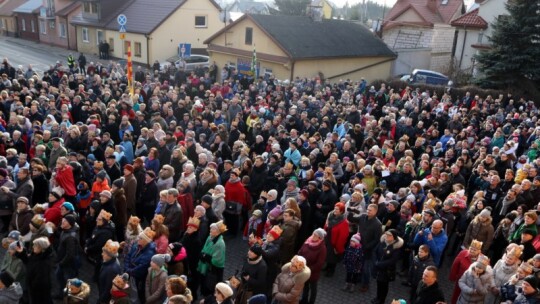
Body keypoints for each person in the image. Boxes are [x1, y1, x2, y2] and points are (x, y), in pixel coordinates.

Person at [348, 203, 382, 292]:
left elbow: (377, 239)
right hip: (358, 246)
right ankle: (359, 279)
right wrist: (351, 211)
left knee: (366, 269)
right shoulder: (363, 217)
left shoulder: (377, 224)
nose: (368, 211)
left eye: (370, 210)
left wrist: (367, 246)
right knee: (358, 264)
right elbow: (351, 219)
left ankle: (365, 284)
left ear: (375, 212)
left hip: (368, 250)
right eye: (367, 209)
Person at [15, 237, 54, 304]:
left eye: (35, 245)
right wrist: (22, 253)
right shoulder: (36, 255)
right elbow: (28, 261)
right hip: (33, 288)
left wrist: (32, 285)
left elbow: (41, 280)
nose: (33, 247)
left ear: (41, 248)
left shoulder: (44, 262)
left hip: (39, 290)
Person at [124, 227, 157, 303]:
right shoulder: (136, 244)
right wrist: (126, 268)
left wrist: (128, 270)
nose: (138, 239)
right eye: (139, 237)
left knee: (136, 296)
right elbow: (128, 256)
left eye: (140, 238)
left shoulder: (149, 254)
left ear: (146, 241)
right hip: (130, 273)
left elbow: (140, 269)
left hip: (137, 279)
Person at [372, 229, 403, 304]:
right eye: (386, 234)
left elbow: (393, 260)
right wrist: (375, 261)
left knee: (384, 286)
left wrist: (380, 264)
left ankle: (381, 300)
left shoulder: (396, 247)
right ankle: (378, 297)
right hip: (378, 268)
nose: (387, 236)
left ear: (394, 237)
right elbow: (374, 251)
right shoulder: (382, 242)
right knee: (379, 284)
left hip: (386, 270)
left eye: (389, 235)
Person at [449, 239, 483, 304]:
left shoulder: (483, 259)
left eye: (474, 250)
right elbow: (455, 265)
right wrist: (452, 277)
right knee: (456, 296)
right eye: (471, 248)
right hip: (460, 280)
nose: (472, 251)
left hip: (472, 285)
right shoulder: (463, 253)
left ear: (479, 251)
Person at [198, 220, 227, 296]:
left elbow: (216, 261)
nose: (210, 230)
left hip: (214, 270)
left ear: (218, 232)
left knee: (210, 286)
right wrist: (204, 255)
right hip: (206, 266)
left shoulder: (220, 244)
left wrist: (204, 256)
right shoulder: (210, 237)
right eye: (211, 228)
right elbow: (204, 249)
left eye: (213, 229)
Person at [55, 214, 81, 298]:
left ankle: (69, 297)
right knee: (59, 277)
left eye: (65, 221)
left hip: (68, 264)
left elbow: (70, 254)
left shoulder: (70, 237)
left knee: (68, 281)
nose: (62, 221)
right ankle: (62, 294)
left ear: (70, 224)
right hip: (63, 262)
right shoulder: (65, 230)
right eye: (63, 220)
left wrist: (61, 263)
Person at [298, 228, 327, 304]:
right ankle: (304, 300)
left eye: (315, 235)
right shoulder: (308, 241)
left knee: (313, 288)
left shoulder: (322, 248)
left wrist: (308, 269)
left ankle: (311, 302)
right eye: (313, 234)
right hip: (303, 269)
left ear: (320, 238)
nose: (313, 236)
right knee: (305, 286)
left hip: (313, 273)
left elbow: (319, 263)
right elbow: (301, 250)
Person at [323, 202, 349, 277]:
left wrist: (338, 247)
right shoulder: (330, 216)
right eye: (335, 208)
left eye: (337, 209)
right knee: (327, 255)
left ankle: (331, 271)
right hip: (328, 239)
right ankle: (327, 267)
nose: (335, 210)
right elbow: (326, 226)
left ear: (341, 211)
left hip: (334, 243)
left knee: (333, 258)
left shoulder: (344, 222)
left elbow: (343, 237)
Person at [99, 240, 122, 304]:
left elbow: (108, 289)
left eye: (104, 253)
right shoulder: (108, 262)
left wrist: (101, 300)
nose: (102, 254)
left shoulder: (112, 270)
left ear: (109, 255)